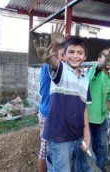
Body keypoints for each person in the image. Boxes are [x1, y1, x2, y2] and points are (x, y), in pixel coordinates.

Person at [34, 29, 92, 171]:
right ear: (64, 56)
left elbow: (84, 109)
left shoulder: (85, 80)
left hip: (78, 134)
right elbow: (52, 61)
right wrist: (52, 49)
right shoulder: (61, 71)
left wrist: (87, 133)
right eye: (71, 52)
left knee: (86, 166)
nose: (75, 56)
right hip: (59, 136)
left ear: (85, 57)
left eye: (79, 53)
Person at [77, 48, 110, 171]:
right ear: (98, 60)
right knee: (86, 149)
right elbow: (95, 71)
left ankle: (99, 169)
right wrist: (100, 65)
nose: (109, 60)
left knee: (101, 148)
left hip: (101, 119)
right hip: (88, 119)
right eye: (106, 57)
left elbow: (107, 99)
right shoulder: (95, 71)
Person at [37, 39, 65, 172]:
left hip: (55, 115)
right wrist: (55, 44)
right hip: (48, 114)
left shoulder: (64, 71)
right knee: (45, 149)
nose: (64, 59)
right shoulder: (49, 66)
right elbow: (50, 58)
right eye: (62, 56)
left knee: (53, 149)